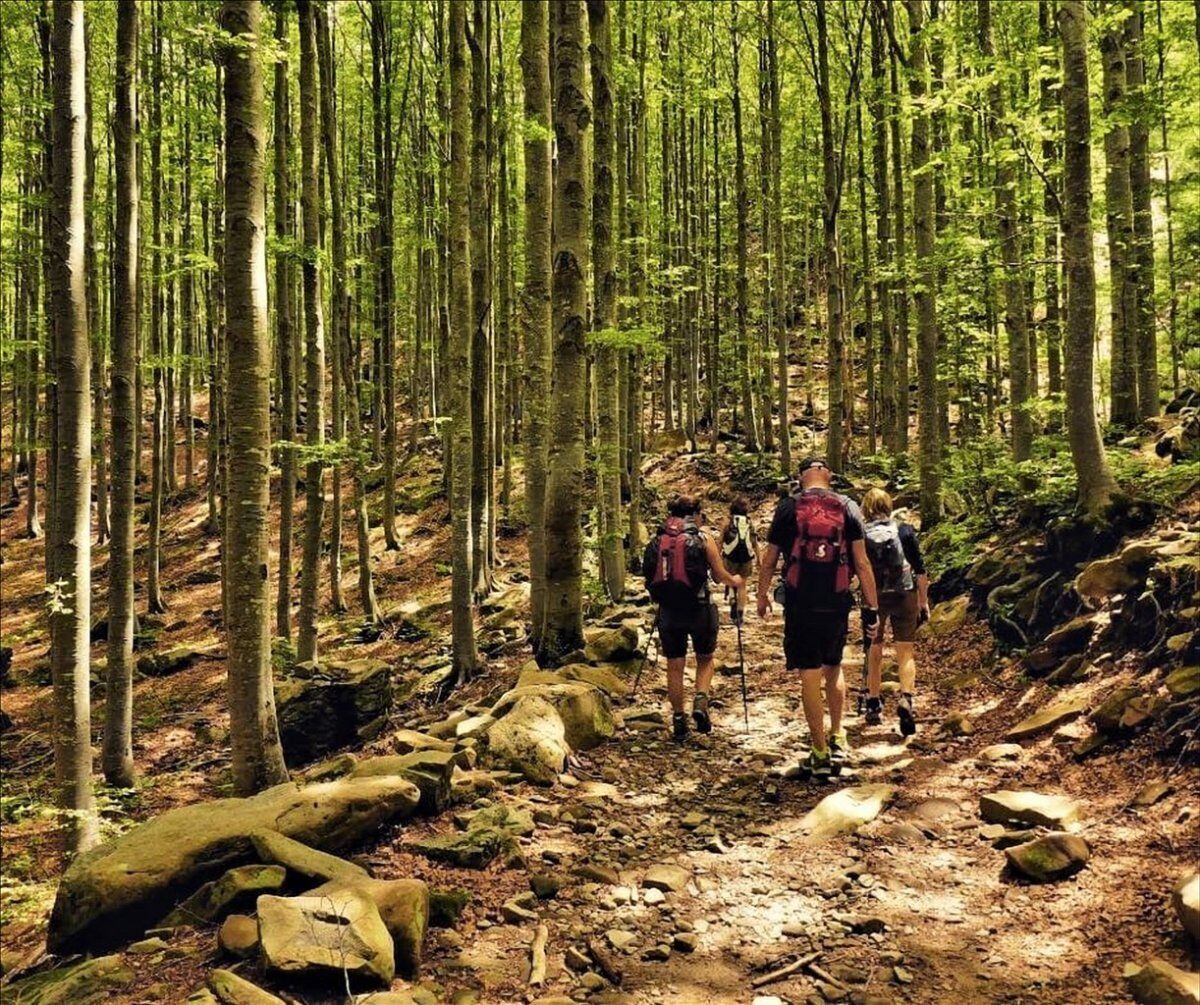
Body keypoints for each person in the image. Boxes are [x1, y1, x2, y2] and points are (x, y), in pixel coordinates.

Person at [757, 457, 880, 780]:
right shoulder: (848, 506)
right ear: (829, 475)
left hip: (800, 603)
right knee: (834, 666)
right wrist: (872, 606)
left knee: (809, 675)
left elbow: (769, 560)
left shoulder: (788, 507)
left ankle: (820, 752)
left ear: (801, 477)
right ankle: (838, 736)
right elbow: (862, 562)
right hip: (836, 601)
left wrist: (761, 594)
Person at [643, 495, 744, 742]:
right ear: (696, 514)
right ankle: (700, 701)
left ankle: (679, 719)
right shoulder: (703, 538)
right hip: (700, 608)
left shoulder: (658, 538)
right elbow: (719, 576)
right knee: (705, 658)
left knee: (675, 665)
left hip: (669, 611)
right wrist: (736, 580)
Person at [860, 487, 930, 735]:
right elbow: (920, 570)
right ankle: (906, 698)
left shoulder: (861, 534)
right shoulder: (904, 530)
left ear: (866, 509)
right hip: (904, 593)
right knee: (905, 651)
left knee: (874, 648)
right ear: (889, 506)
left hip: (874, 597)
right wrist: (923, 601)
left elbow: (858, 568)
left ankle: (873, 702)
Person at [720, 496, 758, 624]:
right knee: (742, 585)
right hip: (746, 558)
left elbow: (720, 540)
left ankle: (732, 599)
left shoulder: (728, 523)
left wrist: (717, 556)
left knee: (730, 579)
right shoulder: (749, 523)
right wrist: (759, 559)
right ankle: (740, 613)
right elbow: (755, 543)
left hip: (730, 557)